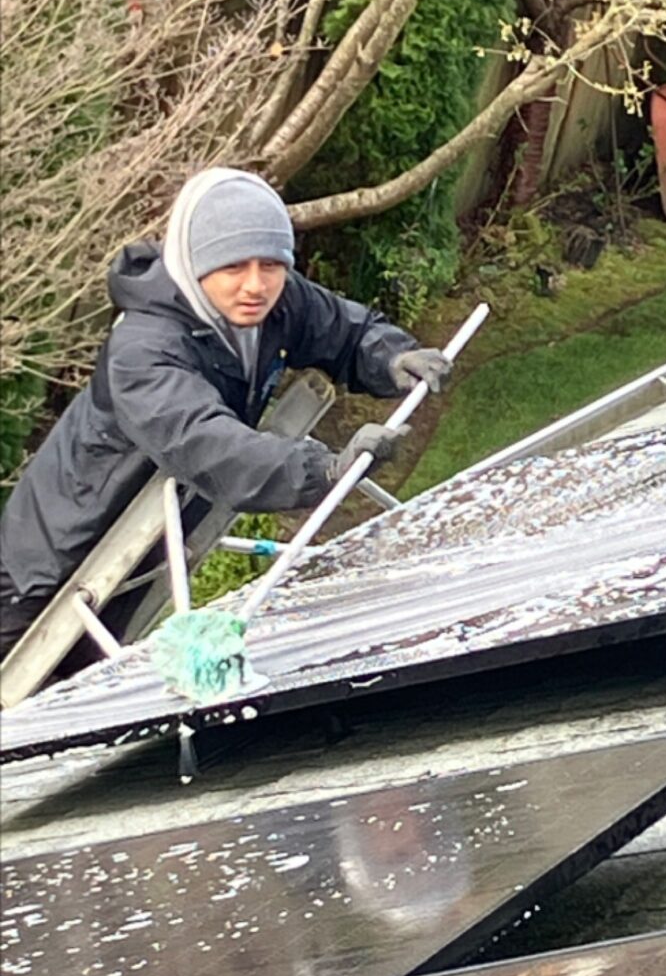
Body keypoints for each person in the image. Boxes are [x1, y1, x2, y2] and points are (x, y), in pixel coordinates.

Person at [0, 167, 452, 671]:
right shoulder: (143, 350)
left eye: (271, 264)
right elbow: (208, 444)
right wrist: (323, 470)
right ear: (194, 265)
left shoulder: (274, 304)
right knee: (30, 707)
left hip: (141, 550)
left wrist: (391, 358)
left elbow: (345, 331)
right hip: (48, 572)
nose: (255, 285)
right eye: (233, 266)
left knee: (85, 686)